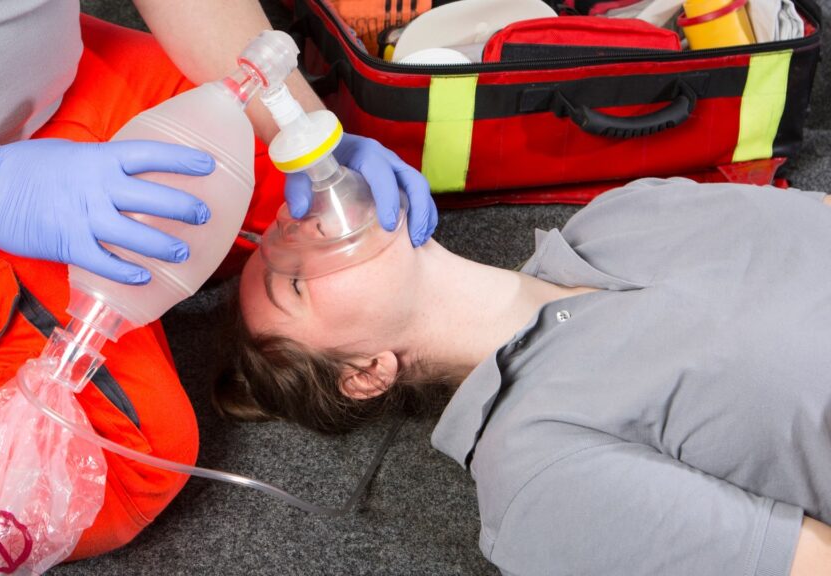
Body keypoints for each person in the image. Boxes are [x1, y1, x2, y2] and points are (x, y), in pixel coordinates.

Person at [0, 1, 436, 574]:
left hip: (49, 77)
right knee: (108, 456)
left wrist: (301, 123)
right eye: (294, 286)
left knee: (291, 185)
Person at [222, 177, 831, 575]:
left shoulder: (622, 212)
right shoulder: (538, 476)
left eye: (286, 224)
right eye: (294, 281)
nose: (303, 225)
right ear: (364, 374)